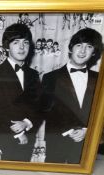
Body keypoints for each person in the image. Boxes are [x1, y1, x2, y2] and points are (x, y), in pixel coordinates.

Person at [41, 28, 103, 163]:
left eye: (89, 47)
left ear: (94, 53)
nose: (82, 51)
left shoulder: (100, 80)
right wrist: (71, 131)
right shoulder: (50, 77)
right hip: (58, 143)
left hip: (88, 146)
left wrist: (88, 130)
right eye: (79, 45)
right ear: (70, 48)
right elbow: (46, 111)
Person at [0, 23, 42, 161]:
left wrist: (27, 123)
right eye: (16, 42)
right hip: (4, 140)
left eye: (25, 42)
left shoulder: (33, 74)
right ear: (7, 47)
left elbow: (38, 107)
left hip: (28, 137)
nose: (22, 47)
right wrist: (19, 134)